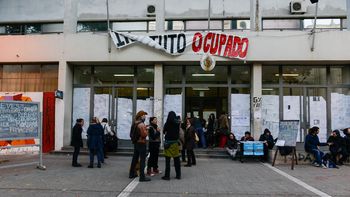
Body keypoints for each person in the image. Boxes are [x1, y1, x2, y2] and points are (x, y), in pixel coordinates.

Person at [129, 110, 150, 182]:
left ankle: (131, 173)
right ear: (141, 116)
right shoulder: (141, 124)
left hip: (136, 143)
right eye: (144, 115)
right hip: (141, 143)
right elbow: (144, 134)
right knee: (142, 160)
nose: (145, 117)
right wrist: (147, 130)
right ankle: (142, 177)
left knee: (135, 158)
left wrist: (145, 127)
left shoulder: (135, 122)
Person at [162, 111, 181, 180]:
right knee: (177, 160)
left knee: (167, 161)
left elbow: (164, 131)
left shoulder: (167, 123)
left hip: (168, 144)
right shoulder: (177, 123)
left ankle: (167, 176)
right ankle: (178, 175)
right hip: (175, 143)